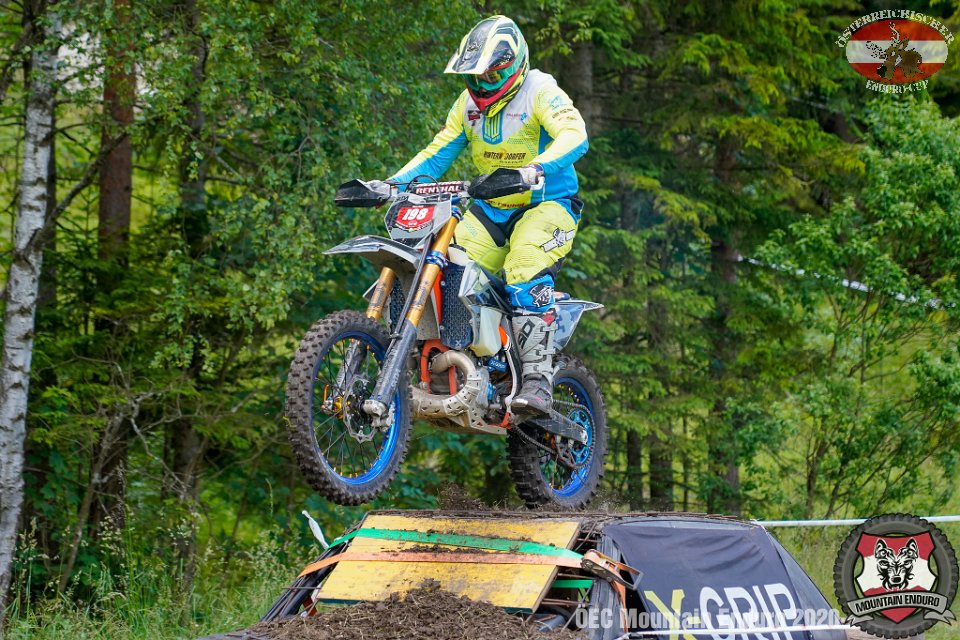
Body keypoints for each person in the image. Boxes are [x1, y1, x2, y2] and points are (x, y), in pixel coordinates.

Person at [388, 15, 589, 416]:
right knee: (445, 265)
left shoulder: (540, 91)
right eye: (474, 78)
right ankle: (462, 358)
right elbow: (437, 153)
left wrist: (534, 169)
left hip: (548, 204)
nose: (481, 86)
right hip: (492, 209)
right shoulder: (467, 106)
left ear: (514, 66)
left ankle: (537, 381)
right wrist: (391, 184)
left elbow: (575, 135)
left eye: (490, 76)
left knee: (524, 263)